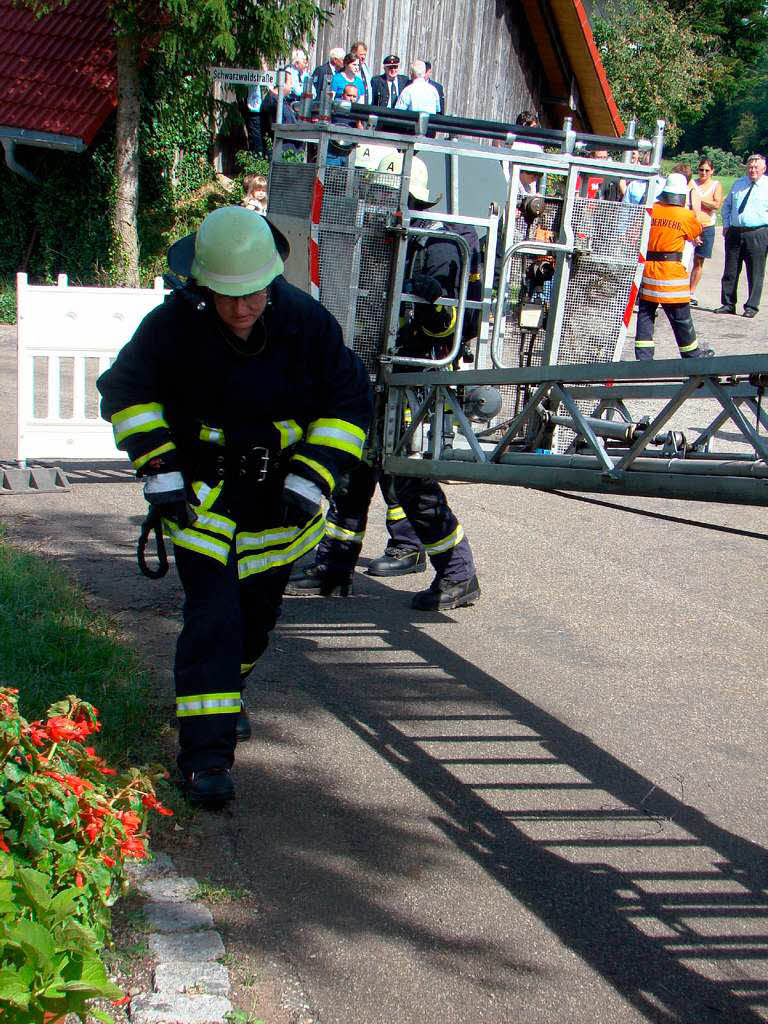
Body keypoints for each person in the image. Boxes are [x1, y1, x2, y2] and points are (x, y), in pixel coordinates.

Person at [96, 208, 371, 809]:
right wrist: (161, 469)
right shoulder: (172, 326)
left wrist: (313, 475)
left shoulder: (305, 322)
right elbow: (125, 390)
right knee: (212, 622)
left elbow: (350, 401)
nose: (243, 310)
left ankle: (232, 687)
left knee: (254, 622)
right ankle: (205, 758)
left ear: (272, 280)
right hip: (204, 500)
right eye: (228, 298)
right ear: (202, 286)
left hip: (277, 506)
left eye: (254, 295)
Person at [288, 154, 482, 611]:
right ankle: (335, 569)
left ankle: (458, 573)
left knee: (406, 481)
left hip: (411, 378)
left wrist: (433, 307)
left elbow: (461, 324)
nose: (372, 202)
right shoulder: (373, 236)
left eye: (380, 193)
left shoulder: (441, 247)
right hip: (367, 374)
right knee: (354, 471)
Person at [634, 173, 713, 361]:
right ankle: (692, 356)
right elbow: (696, 232)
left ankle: (644, 358)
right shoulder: (685, 215)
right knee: (681, 317)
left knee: (645, 314)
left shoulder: (652, 210)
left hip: (649, 269)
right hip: (671, 273)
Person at [716, 153, 768, 318]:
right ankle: (728, 303)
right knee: (730, 270)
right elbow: (727, 206)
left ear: (764, 169)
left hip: (758, 233)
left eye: (756, 167)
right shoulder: (739, 184)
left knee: (755, 271)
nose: (752, 170)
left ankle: (751, 306)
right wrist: (726, 224)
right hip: (735, 232)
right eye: (750, 167)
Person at [689, 157, 723, 305]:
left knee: (699, 260)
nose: (703, 173)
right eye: (701, 170)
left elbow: (716, 205)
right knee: (683, 258)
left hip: (706, 226)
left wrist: (698, 200)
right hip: (690, 225)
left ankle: (691, 292)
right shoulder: (692, 183)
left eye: (707, 170)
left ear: (712, 171)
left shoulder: (716, 185)